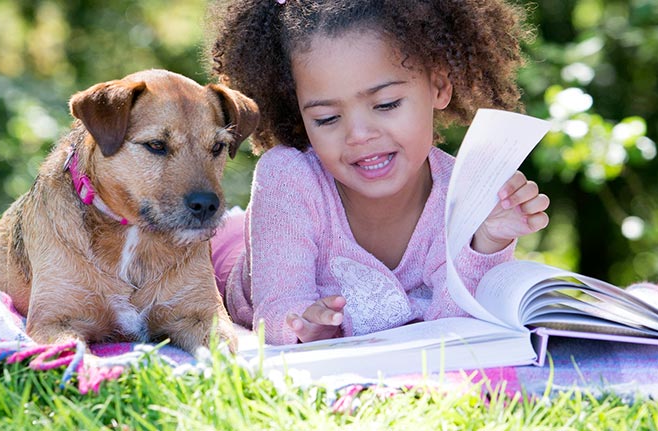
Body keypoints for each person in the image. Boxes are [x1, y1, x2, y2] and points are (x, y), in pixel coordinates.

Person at [207, 0, 550, 345]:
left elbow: (459, 331)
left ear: (440, 86)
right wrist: (305, 327)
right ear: (298, 113)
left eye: (386, 105)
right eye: (326, 118)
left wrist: (488, 243)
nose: (359, 135)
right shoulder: (287, 176)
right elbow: (278, 313)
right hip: (234, 252)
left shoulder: (460, 193)